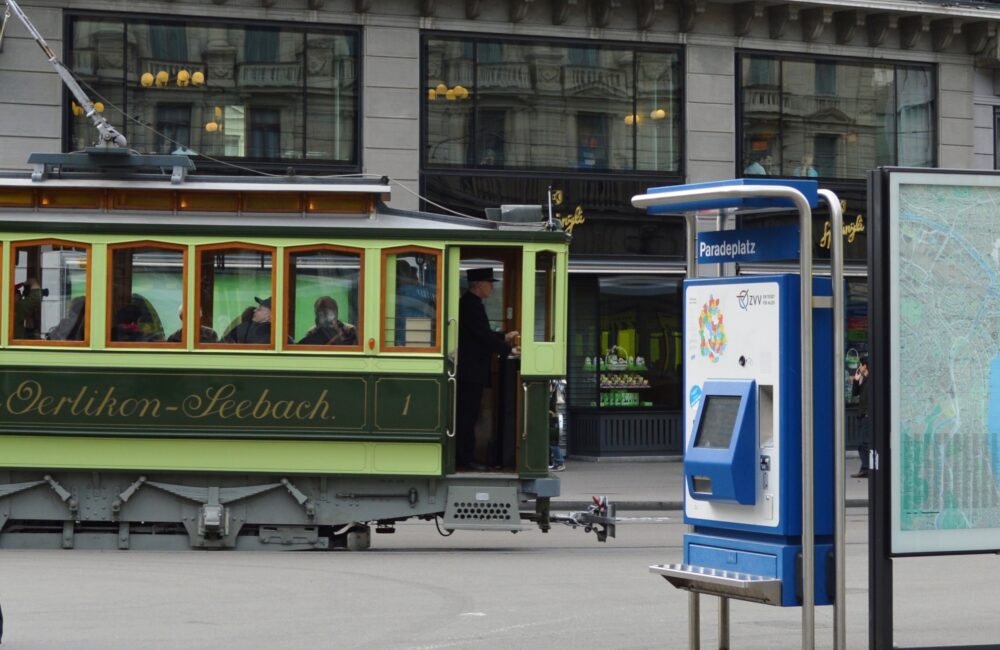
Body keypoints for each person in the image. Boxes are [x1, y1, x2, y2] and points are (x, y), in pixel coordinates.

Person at [456, 268, 519, 471]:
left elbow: (482, 333)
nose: (492, 287)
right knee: (467, 416)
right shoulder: (470, 306)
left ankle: (466, 457)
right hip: (470, 371)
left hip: (472, 371)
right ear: (479, 284)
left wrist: (503, 337)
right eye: (489, 283)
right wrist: (508, 348)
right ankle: (464, 459)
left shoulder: (471, 304)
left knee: (470, 415)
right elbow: (482, 336)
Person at [851, 356, 871, 478]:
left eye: (860, 365)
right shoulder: (863, 379)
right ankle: (865, 468)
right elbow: (855, 394)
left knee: (863, 443)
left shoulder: (872, 380)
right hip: (862, 415)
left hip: (867, 415)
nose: (859, 367)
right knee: (862, 444)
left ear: (864, 366)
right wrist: (856, 380)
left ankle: (866, 468)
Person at [549, 381, 566, 472]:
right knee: (552, 443)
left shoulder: (555, 395)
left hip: (553, 420)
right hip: (553, 420)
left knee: (553, 443)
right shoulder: (554, 394)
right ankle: (556, 463)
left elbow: (555, 410)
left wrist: (551, 412)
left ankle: (559, 463)